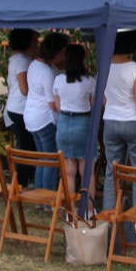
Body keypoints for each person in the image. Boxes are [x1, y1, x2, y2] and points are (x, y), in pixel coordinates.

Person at [101, 30, 136, 250]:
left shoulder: (104, 66)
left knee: (111, 171)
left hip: (110, 121)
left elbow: (103, 98)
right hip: (132, 122)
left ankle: (108, 216)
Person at [24, 32, 69, 190]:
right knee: (51, 161)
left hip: (32, 117)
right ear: (55, 52)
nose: (64, 57)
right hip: (45, 119)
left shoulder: (34, 65)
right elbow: (52, 104)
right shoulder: (47, 72)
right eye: (63, 53)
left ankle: (39, 194)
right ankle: (48, 197)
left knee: (42, 159)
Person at [53, 43, 95, 198]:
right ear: (83, 59)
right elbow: (93, 105)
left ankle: (70, 209)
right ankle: (88, 208)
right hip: (83, 123)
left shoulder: (59, 80)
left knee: (68, 173)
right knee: (87, 173)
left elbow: (58, 106)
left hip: (64, 123)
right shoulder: (89, 81)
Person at [4, 29, 39, 186]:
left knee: (25, 146)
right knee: (27, 147)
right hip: (20, 108)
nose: (36, 44)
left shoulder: (15, 59)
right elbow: (25, 89)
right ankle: (21, 182)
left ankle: (22, 181)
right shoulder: (23, 61)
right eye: (34, 41)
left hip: (14, 107)